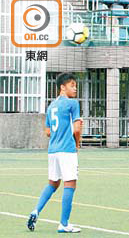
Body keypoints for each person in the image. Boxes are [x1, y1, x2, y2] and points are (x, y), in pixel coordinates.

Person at [27, 73, 83, 233]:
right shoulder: (72, 104)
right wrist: (77, 144)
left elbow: (47, 131)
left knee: (53, 183)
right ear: (62, 87)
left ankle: (35, 211)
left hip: (53, 150)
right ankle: (64, 224)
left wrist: (60, 132)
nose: (75, 88)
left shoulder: (51, 106)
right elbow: (77, 128)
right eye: (72, 85)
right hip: (66, 149)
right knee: (70, 183)